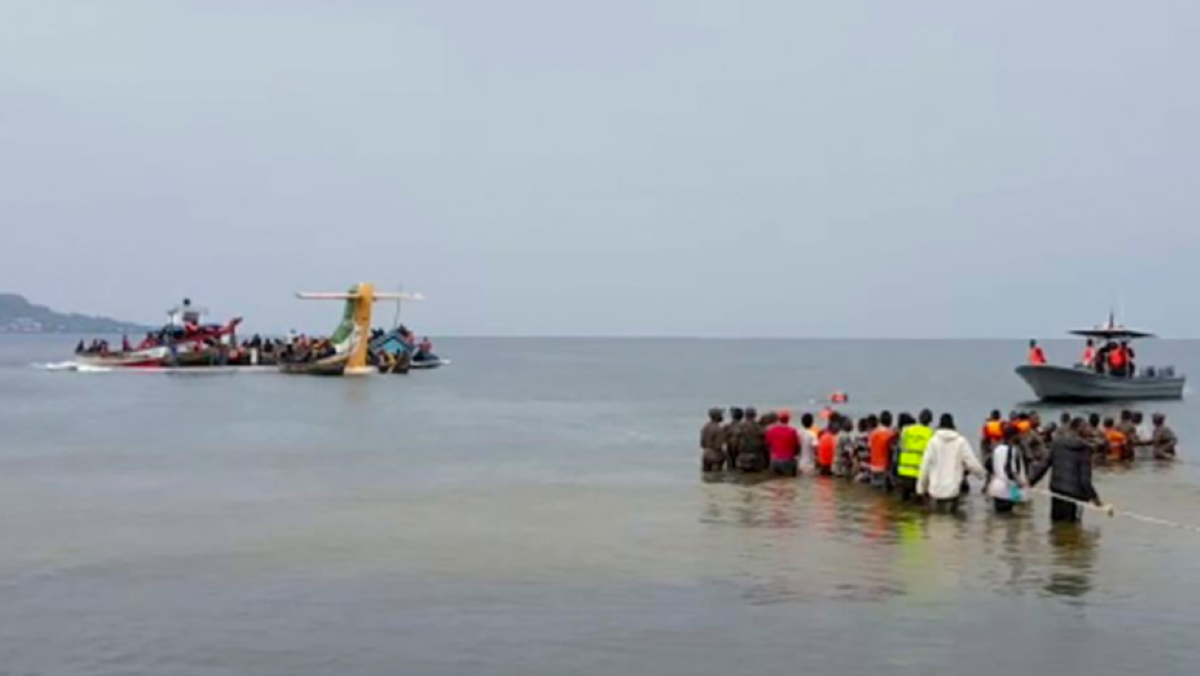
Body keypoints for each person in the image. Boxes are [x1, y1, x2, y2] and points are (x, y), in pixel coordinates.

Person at [1029, 417, 1108, 523]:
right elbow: (1084, 480)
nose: (1089, 430)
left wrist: (1030, 482)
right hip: (1074, 496)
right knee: (1072, 528)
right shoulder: (1085, 449)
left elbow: (1043, 465)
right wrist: (1096, 500)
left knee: (1056, 526)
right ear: (1080, 428)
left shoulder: (1057, 442)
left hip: (1057, 491)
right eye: (1086, 427)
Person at [917, 413, 986, 512]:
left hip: (935, 492)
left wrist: (921, 489)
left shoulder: (933, 442)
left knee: (935, 523)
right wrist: (983, 475)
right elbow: (972, 463)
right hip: (952, 492)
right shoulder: (960, 442)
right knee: (952, 523)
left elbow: (925, 466)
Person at [987, 424, 1029, 514]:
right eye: (1019, 434)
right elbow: (1010, 471)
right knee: (1010, 518)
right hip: (1008, 490)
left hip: (996, 489)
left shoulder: (997, 449)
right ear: (1013, 436)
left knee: (1000, 519)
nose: (1021, 436)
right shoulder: (1014, 450)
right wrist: (1020, 482)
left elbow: (988, 465)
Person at [896, 409, 935, 501]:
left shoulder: (906, 430)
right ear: (930, 421)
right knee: (919, 503)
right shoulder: (930, 433)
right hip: (918, 473)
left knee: (903, 501)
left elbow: (899, 448)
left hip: (903, 472)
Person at [765, 411, 801, 476]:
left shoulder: (771, 430)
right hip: (787, 461)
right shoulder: (792, 431)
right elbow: (797, 447)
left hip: (775, 461)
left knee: (774, 483)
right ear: (788, 420)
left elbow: (768, 445)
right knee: (788, 482)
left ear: (779, 419)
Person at [868, 411, 896, 490]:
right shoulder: (890, 434)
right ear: (890, 421)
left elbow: (870, 447)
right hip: (884, 467)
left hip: (873, 466)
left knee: (875, 490)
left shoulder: (873, 433)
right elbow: (892, 449)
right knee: (884, 491)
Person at [739, 408, 767, 472]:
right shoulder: (757, 426)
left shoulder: (741, 425)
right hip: (755, 453)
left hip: (743, 453)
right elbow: (764, 434)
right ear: (754, 415)